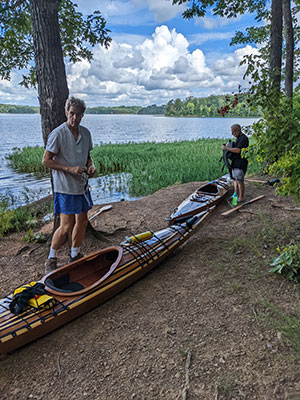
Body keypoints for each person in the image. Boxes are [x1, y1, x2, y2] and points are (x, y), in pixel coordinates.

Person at [42, 97, 95, 274]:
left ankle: (75, 255)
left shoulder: (86, 133)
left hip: (82, 186)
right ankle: (51, 259)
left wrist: (90, 166)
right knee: (65, 226)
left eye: (78, 114)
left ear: (82, 115)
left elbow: (88, 157)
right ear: (66, 112)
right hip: (65, 187)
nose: (74, 117)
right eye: (71, 113)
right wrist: (69, 168)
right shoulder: (57, 134)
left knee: (82, 221)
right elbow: (46, 161)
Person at [222, 124, 249, 202]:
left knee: (239, 180)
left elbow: (238, 150)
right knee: (235, 179)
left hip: (241, 163)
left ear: (238, 130)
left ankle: (241, 198)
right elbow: (235, 148)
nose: (232, 134)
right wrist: (230, 145)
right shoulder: (238, 138)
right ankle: (235, 195)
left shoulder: (244, 138)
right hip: (235, 162)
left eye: (233, 132)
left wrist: (227, 148)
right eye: (232, 132)